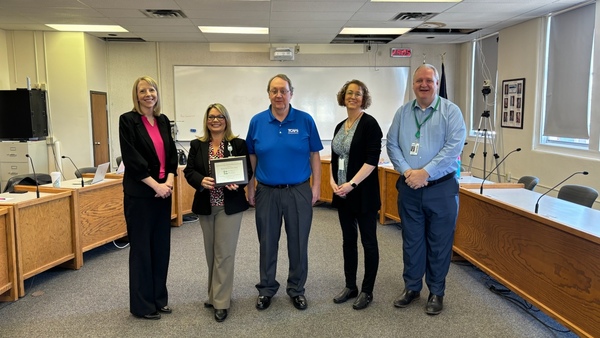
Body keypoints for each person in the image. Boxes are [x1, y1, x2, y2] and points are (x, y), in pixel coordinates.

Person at [386, 64, 466, 315]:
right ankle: (412, 288)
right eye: (419, 80)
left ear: (437, 83)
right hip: (410, 188)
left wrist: (426, 173)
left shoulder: (451, 112)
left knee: (439, 243)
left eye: (429, 81)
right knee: (411, 241)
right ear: (413, 84)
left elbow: (453, 148)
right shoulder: (402, 113)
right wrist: (408, 172)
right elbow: (392, 144)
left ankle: (436, 292)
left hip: (441, 189)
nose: (423, 84)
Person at [246, 74, 323, 311]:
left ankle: (296, 289)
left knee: (298, 243)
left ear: (291, 93)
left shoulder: (305, 120)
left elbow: (315, 155)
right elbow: (252, 156)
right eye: (274, 91)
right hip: (266, 192)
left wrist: (316, 186)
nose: (279, 95)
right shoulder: (257, 121)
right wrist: (250, 187)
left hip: (298, 190)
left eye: (283, 90)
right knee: (267, 242)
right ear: (268, 93)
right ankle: (267, 289)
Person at [183, 103, 252, 322]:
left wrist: (238, 183)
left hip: (229, 206)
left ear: (226, 119)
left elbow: (247, 171)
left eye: (220, 116)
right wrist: (200, 181)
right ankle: (214, 294)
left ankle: (221, 302)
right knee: (211, 252)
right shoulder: (197, 145)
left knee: (224, 252)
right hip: (206, 205)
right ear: (206, 120)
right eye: (211, 117)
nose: (215, 120)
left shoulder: (238, 144)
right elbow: (189, 171)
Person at [119, 76, 178, 320]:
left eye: (151, 89)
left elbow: (172, 155)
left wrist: (169, 183)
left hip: (163, 193)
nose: (148, 94)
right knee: (142, 250)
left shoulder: (163, 120)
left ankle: (158, 299)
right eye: (142, 91)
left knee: (161, 248)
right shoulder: (128, 121)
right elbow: (132, 159)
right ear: (136, 95)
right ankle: (143, 306)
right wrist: (156, 185)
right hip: (141, 194)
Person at [329, 80, 382, 310]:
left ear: (364, 98)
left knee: (368, 242)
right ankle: (350, 285)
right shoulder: (341, 125)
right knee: (348, 241)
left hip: (363, 193)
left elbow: (372, 161)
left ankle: (367, 290)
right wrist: (332, 183)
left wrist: (351, 183)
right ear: (343, 96)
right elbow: (334, 158)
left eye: (358, 94)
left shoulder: (370, 124)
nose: (353, 97)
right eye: (349, 93)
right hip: (342, 194)